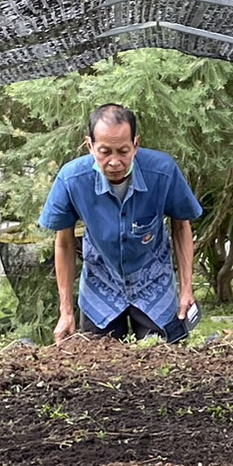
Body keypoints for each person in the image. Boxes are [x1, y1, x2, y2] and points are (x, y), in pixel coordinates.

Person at [38, 103, 202, 343]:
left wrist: (187, 289)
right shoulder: (72, 179)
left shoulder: (163, 172)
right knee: (98, 360)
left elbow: (181, 226)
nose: (114, 162)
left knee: (162, 356)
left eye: (123, 151)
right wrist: (66, 311)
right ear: (90, 146)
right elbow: (63, 243)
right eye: (105, 152)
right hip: (100, 289)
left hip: (153, 286)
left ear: (135, 145)